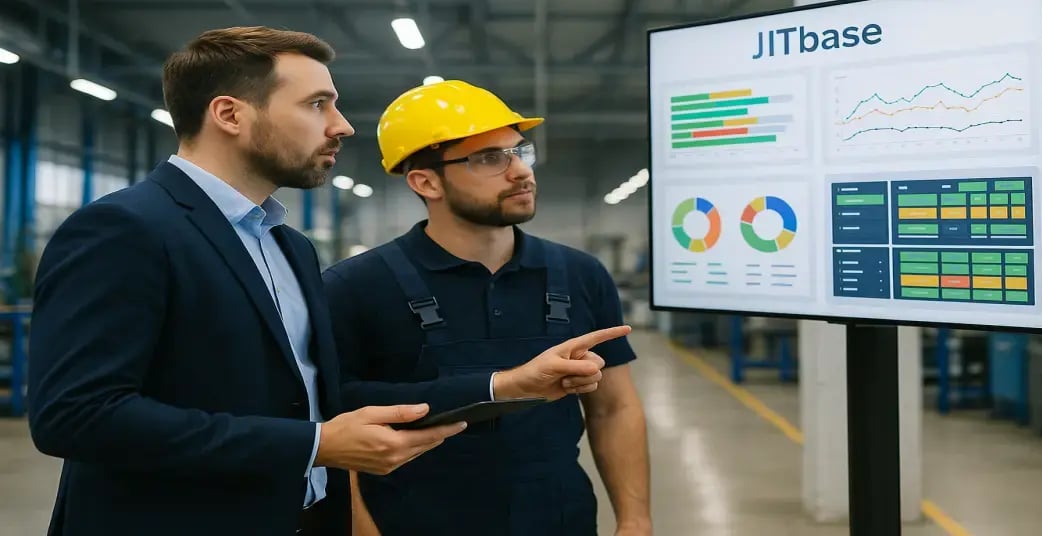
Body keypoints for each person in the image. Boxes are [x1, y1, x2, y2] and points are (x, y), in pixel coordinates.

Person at [26, 26, 467, 536]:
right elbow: (77, 415)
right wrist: (314, 445)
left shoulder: (289, 245)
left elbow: (304, 395)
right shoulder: (125, 229)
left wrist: (505, 385)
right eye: (317, 104)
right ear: (230, 114)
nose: (342, 126)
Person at [322, 79, 652, 536]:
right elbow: (336, 428)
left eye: (520, 152)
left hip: (559, 517)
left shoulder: (580, 274)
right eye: (490, 159)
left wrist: (636, 521)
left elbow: (613, 408)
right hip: (414, 520)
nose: (520, 172)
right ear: (425, 181)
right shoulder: (354, 286)